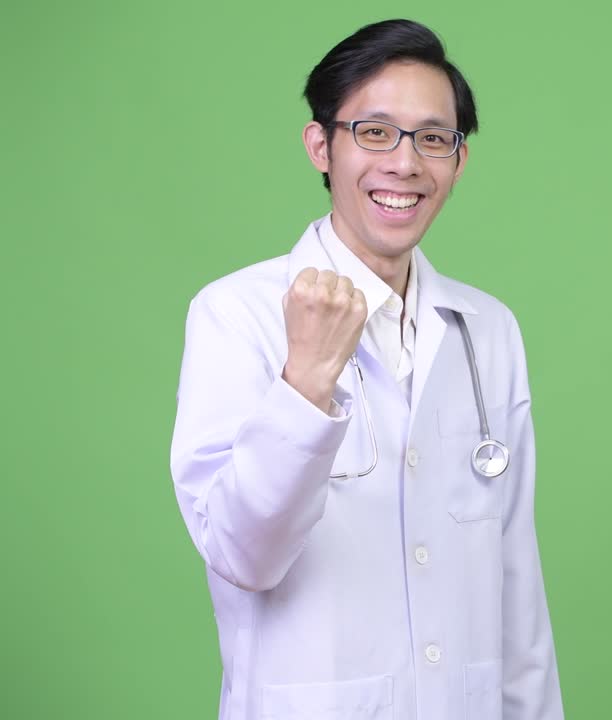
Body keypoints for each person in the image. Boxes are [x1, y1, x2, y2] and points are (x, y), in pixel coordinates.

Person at [170, 19, 562, 720]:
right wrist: (305, 384)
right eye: (375, 132)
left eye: (433, 138)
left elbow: (517, 587)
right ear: (321, 145)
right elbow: (241, 555)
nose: (405, 163)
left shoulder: (487, 330)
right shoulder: (236, 315)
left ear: (459, 160)